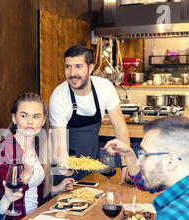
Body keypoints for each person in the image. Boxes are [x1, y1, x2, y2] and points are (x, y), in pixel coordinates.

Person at [48, 45, 130, 183]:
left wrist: (126, 164)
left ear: (90, 68)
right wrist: (67, 174)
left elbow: (120, 127)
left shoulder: (105, 88)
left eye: (78, 66)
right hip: (64, 167)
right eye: (68, 67)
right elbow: (59, 149)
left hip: (92, 164)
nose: (72, 73)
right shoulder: (59, 97)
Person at [0, 93, 75, 220]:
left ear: (43, 121)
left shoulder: (36, 145)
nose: (30, 121)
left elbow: (35, 189)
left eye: (36, 116)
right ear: (14, 118)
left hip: (37, 218)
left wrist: (56, 189)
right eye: (24, 116)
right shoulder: (3, 151)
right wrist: (26, 174)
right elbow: (2, 203)